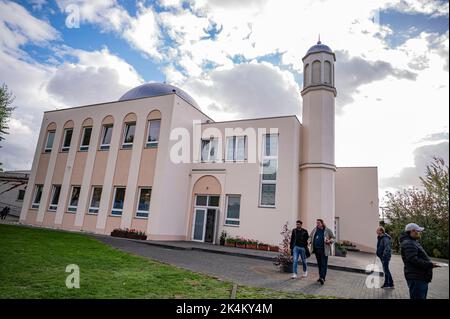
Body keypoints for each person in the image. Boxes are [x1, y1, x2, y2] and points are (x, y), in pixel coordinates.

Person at [400, 223, 441, 299]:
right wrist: (430, 264)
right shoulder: (409, 243)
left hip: (419, 276)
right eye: (418, 231)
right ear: (412, 231)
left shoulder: (412, 241)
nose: (420, 233)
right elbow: (413, 260)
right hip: (417, 278)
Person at [309, 219, 335, 285]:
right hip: (317, 250)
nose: (317, 224)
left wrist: (329, 241)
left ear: (322, 223)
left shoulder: (327, 230)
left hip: (324, 250)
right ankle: (321, 276)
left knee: (324, 264)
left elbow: (333, 238)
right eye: (316, 223)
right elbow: (310, 236)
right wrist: (309, 241)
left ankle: (322, 278)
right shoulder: (315, 230)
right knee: (319, 264)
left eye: (318, 223)